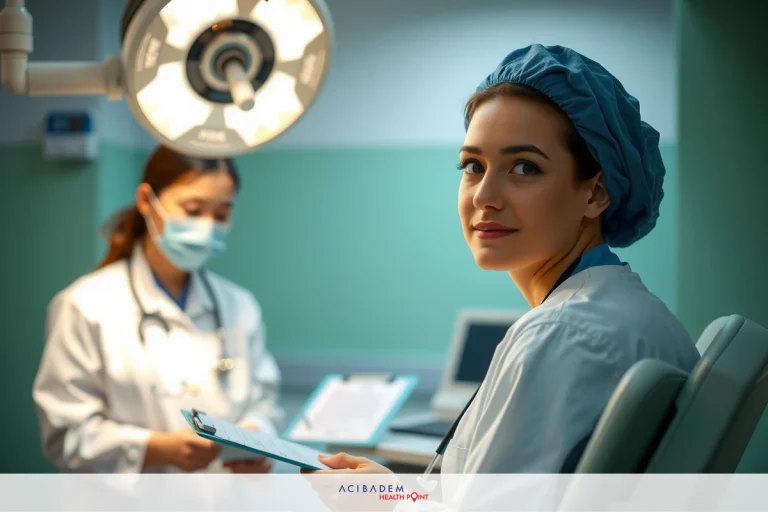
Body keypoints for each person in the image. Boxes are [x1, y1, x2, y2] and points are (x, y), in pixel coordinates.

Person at [304, 43, 701, 495]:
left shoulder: (563, 334)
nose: (484, 196)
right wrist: (394, 495)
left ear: (595, 194)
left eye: (524, 167)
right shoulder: (626, 313)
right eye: (473, 165)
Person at [33, 146, 284, 474]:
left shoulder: (239, 306)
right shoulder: (86, 306)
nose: (207, 227)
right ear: (145, 201)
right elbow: (65, 435)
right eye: (193, 210)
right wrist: (153, 449)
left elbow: (265, 404)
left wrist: (257, 438)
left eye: (221, 214)